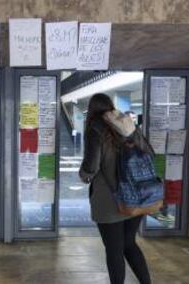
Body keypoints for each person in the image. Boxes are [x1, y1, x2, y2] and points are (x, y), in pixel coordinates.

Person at [79, 93, 152, 284]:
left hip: (110, 198)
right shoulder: (126, 124)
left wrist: (84, 176)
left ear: (92, 109)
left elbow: (91, 166)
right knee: (129, 244)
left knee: (114, 249)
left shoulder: (96, 129)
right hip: (137, 194)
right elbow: (149, 152)